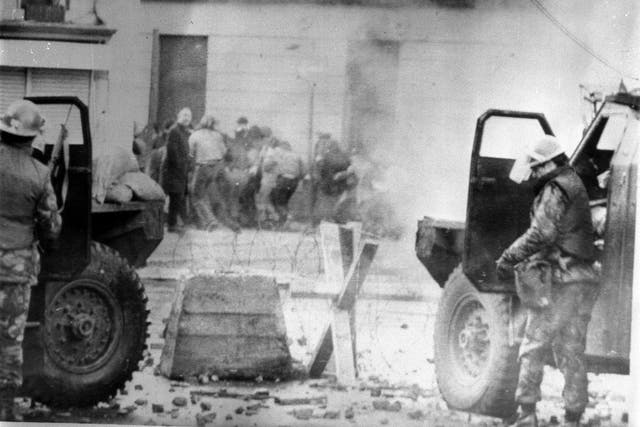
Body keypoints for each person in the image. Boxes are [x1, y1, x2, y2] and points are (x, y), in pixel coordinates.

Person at [495, 136, 599, 427]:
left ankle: (526, 414)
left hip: (561, 281)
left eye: (538, 167)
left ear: (552, 163)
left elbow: (541, 234)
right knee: (571, 349)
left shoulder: (556, 188)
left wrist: (508, 257)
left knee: (533, 345)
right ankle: (573, 417)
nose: (535, 173)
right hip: (582, 279)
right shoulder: (573, 182)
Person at [0, 100, 62, 420]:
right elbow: (50, 228)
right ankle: (5, 408)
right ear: (33, 136)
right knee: (10, 339)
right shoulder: (39, 174)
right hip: (15, 269)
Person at [188, 114, 239, 232]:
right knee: (211, 195)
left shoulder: (195, 135)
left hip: (202, 167)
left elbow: (190, 153)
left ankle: (210, 221)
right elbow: (224, 152)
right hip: (216, 168)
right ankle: (230, 223)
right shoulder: (218, 135)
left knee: (197, 196)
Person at [163, 108, 192, 233]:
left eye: (189, 116)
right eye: (184, 115)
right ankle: (171, 225)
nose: (186, 118)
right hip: (174, 170)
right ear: (178, 116)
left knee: (178, 197)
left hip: (181, 170)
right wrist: (180, 165)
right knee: (175, 197)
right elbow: (172, 151)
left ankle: (174, 223)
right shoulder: (174, 130)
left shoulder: (185, 132)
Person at [269, 140, 305, 226]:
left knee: (276, 199)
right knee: (285, 201)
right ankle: (284, 219)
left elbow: (273, 168)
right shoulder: (297, 156)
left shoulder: (280, 154)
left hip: (283, 179)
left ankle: (285, 218)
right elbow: (303, 171)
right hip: (294, 181)